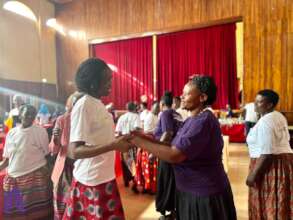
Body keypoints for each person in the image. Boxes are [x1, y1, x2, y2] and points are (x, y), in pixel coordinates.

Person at [129, 76, 236, 220]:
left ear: (202, 97)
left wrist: (137, 141)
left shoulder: (202, 121)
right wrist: (143, 138)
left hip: (203, 194)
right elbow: (173, 145)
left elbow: (175, 155)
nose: (181, 96)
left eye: (186, 94)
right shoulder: (192, 120)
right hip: (189, 190)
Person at [63, 58, 130, 220]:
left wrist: (120, 139)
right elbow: (74, 151)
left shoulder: (97, 103)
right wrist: (114, 144)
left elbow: (98, 138)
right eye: (107, 80)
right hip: (91, 181)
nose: (110, 84)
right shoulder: (84, 105)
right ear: (93, 83)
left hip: (104, 176)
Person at [246, 89, 293, 220]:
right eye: (255, 101)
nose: (255, 104)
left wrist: (253, 175)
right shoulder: (278, 116)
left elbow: (267, 153)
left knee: (269, 200)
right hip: (283, 161)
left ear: (269, 105)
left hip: (271, 166)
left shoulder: (266, 121)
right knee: (280, 199)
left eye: (259, 102)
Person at [0, 104, 53, 219]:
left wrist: (48, 173)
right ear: (20, 115)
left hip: (35, 177)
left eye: (32, 114)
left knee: (38, 214)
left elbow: (47, 155)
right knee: (14, 214)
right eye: (27, 114)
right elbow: (7, 159)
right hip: (14, 178)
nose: (30, 116)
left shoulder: (40, 132)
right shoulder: (12, 133)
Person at [49, 92, 83, 219]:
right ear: (70, 105)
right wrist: (56, 139)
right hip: (65, 168)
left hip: (83, 166)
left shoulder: (87, 119)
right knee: (63, 203)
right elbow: (54, 149)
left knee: (79, 203)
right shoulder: (62, 120)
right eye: (75, 103)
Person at [154, 91, 183, 219]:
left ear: (161, 104)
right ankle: (175, 212)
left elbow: (167, 133)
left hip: (166, 153)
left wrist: (155, 150)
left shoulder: (165, 113)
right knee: (172, 182)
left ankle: (171, 213)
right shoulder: (177, 114)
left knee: (167, 182)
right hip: (175, 152)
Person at [135, 101, 160, 194]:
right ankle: (147, 186)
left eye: (159, 107)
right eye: (157, 107)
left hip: (153, 142)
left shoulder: (156, 116)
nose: (158, 109)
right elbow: (147, 132)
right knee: (147, 166)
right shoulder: (149, 117)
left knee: (151, 167)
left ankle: (150, 186)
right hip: (148, 144)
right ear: (152, 107)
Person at [116, 102, 141, 191]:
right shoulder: (136, 116)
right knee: (134, 161)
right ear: (134, 108)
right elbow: (137, 129)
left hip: (123, 141)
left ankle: (126, 180)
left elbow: (118, 132)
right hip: (132, 142)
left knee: (125, 161)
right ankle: (134, 181)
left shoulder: (122, 117)